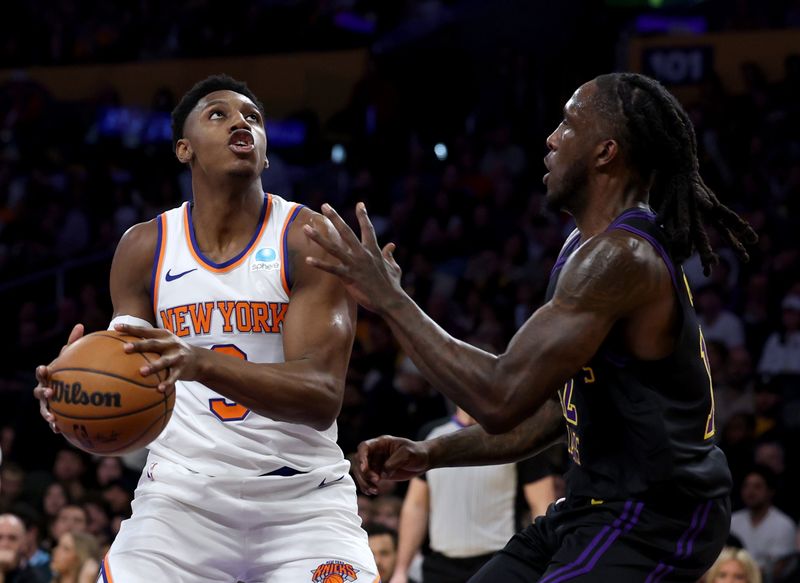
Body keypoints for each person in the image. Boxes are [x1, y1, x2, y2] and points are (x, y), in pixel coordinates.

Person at [304, 72, 758, 581]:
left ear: (605, 152)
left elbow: (500, 398)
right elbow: (549, 412)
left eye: (567, 123)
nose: (551, 138)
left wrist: (390, 299)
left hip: (660, 513)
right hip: (592, 504)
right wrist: (430, 451)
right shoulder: (580, 249)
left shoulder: (621, 258)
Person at [33, 74, 378, 582]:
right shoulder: (144, 247)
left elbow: (321, 395)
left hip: (302, 500)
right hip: (180, 498)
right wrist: (76, 392)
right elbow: (126, 376)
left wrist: (198, 362)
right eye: (218, 114)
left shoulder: (306, 239)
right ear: (183, 148)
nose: (241, 122)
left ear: (263, 154)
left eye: (253, 118)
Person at [391, 407, 558, 583]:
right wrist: (401, 569)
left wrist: (545, 562)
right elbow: (417, 506)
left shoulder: (516, 436)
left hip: (499, 559)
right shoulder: (431, 434)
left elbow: (541, 504)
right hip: (440, 565)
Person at [729, 466, 797, 576]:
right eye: (746, 486)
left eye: (757, 487)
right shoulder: (732, 520)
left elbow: (776, 571)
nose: (750, 492)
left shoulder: (784, 524)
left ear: (770, 491)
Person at [0, 513, 46, 583]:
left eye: (12, 538)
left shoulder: (34, 578)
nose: (5, 544)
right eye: (0, 537)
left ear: (23, 543)